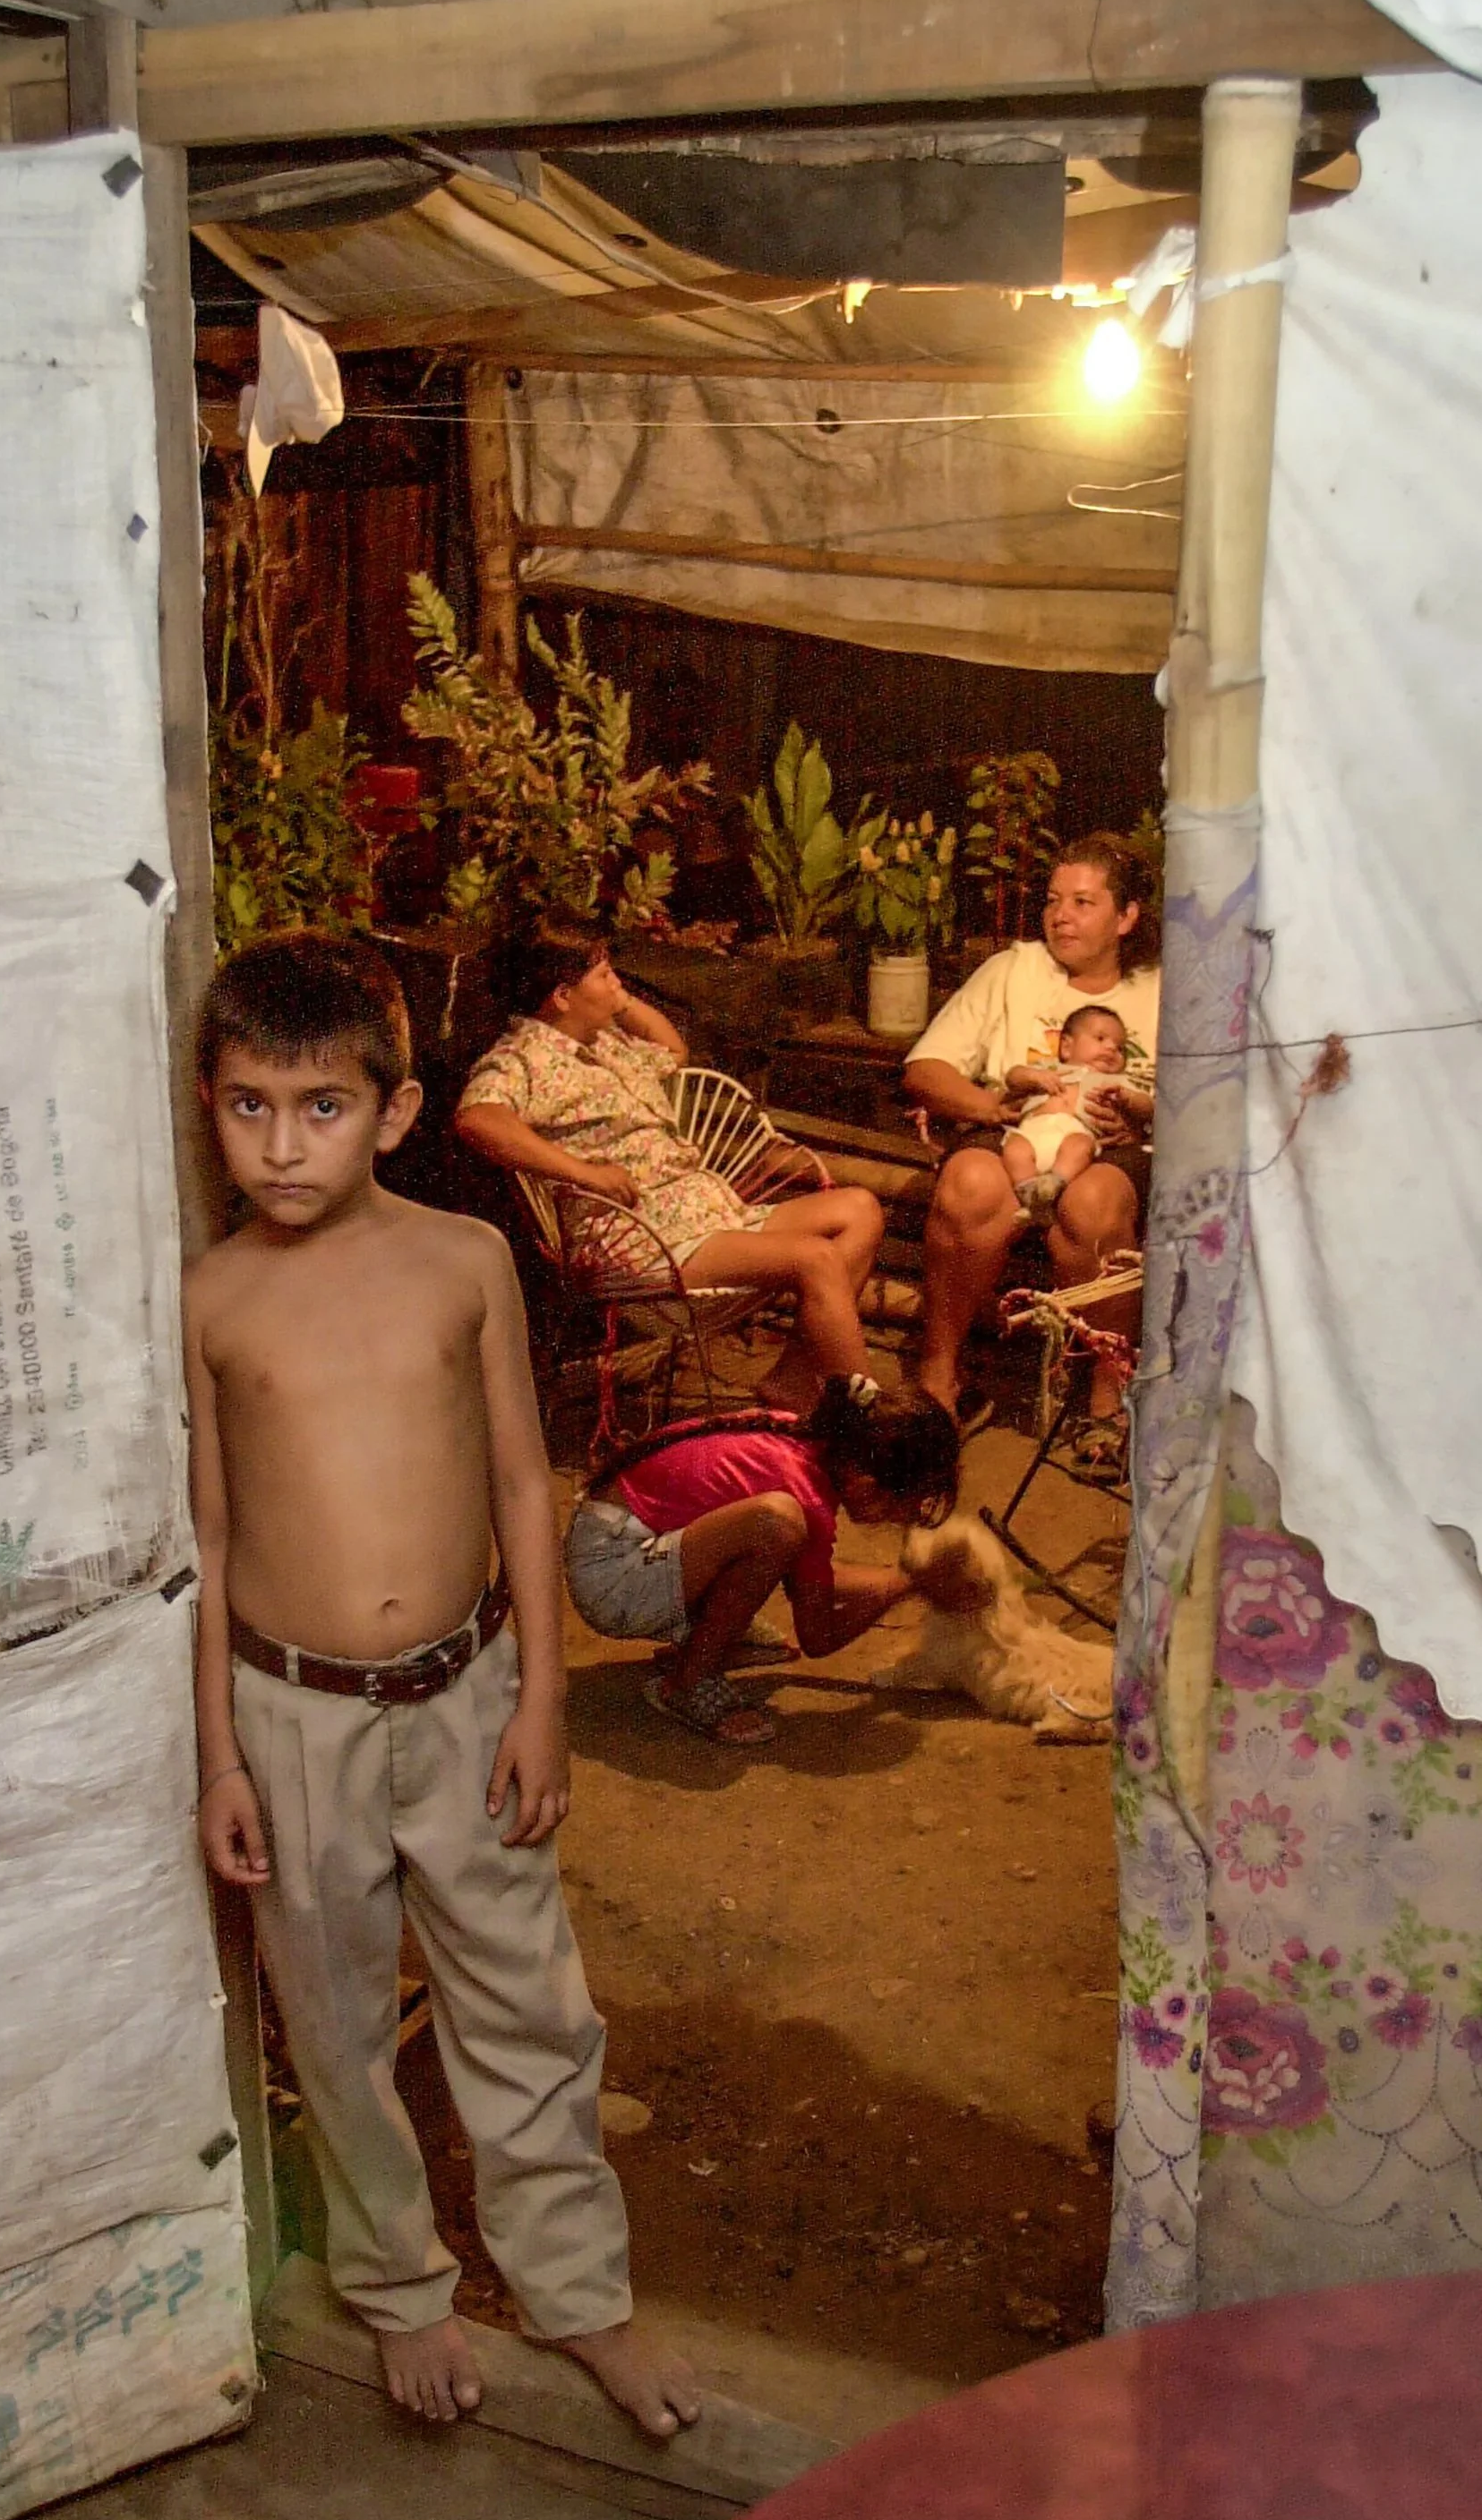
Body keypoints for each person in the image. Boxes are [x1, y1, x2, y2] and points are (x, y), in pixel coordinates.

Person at [184, 930, 698, 2439]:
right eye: (248, 1105)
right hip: (291, 1714)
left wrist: (544, 1691)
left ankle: (578, 2291)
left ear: (395, 1111)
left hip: (468, 1689)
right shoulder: (212, 1300)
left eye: (322, 1105)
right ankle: (401, 2284)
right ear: (209, 1105)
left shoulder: (463, 1261)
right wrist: (220, 1752)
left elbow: (528, 1490)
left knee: (527, 1999)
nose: (283, 1144)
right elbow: (209, 1537)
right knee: (333, 2013)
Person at [454, 934, 884, 1414]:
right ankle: (865, 1424)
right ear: (561, 995)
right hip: (646, 1237)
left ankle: (793, 1379)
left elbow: (673, 1050)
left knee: (860, 1208)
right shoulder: (523, 1059)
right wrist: (584, 1173)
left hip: (704, 1212)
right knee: (817, 1260)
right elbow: (478, 1119)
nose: (618, 984)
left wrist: (621, 1000)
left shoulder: (605, 1042)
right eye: (604, 975)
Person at [904, 834, 1161, 1479]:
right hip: (1015, 1135)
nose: (1061, 915)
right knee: (968, 1181)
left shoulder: (1164, 993)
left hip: (1115, 1150)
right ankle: (941, 1381)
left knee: (1094, 1201)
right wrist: (991, 1109)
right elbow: (926, 1067)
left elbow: (1221, 1098)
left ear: (1126, 917)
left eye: (1082, 902)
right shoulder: (1013, 972)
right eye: (1053, 901)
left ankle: (1107, 1397)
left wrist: (1142, 1113)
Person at [564, 1374, 961, 1746]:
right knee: (777, 1525)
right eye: (902, 1506)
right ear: (867, 1483)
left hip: (619, 1541)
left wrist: (904, 1578)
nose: (900, 1519)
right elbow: (818, 1637)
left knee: (777, 1532)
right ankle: (690, 1679)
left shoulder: (805, 1439)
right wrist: (905, 1586)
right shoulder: (804, 1501)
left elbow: (813, 1584)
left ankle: (702, 1637)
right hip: (612, 1579)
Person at [998, 1003, 1153, 1226]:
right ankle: (1029, 1195)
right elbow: (1013, 1077)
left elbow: (1147, 1105)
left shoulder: (1115, 1083)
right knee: (1014, 1149)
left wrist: (1128, 1098)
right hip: (1031, 1131)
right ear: (1067, 1047)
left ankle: (1055, 1183)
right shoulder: (1048, 1069)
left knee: (1080, 1146)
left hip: (1075, 1131)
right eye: (1100, 1039)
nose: (1111, 1048)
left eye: (1120, 1048)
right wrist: (1033, 1077)